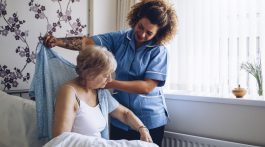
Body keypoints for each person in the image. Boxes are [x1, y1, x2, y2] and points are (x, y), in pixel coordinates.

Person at [44, 0, 178, 146]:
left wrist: (107, 82)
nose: (142, 34)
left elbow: (147, 87)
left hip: (150, 119)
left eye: (149, 33)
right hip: (120, 120)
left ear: (159, 33)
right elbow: (87, 43)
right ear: (137, 19)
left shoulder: (159, 51)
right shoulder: (120, 38)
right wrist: (57, 42)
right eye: (141, 27)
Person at [53, 45, 153, 143]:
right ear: (90, 73)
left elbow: (124, 114)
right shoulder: (69, 93)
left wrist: (142, 128)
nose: (110, 80)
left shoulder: (100, 93)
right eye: (106, 75)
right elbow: (61, 139)